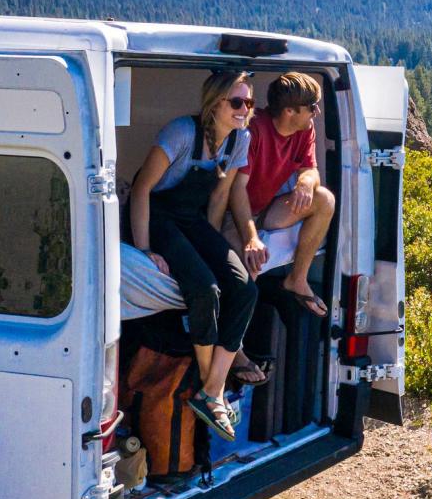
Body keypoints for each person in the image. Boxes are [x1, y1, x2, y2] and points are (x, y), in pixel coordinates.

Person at [128, 70, 263, 440]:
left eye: (249, 103)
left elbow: (218, 198)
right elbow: (141, 191)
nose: (244, 109)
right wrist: (144, 250)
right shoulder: (181, 133)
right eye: (236, 102)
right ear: (213, 103)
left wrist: (214, 246)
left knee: (245, 288)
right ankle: (210, 386)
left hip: (191, 218)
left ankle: (212, 389)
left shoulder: (241, 138)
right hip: (156, 215)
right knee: (205, 289)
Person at [231, 72, 335, 316]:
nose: (316, 112)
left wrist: (306, 183)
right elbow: (236, 191)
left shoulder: (304, 128)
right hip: (234, 212)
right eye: (311, 107)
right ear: (289, 111)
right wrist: (251, 239)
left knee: (325, 200)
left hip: (265, 208)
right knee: (250, 269)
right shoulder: (254, 129)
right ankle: (235, 351)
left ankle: (297, 279)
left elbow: (310, 170)